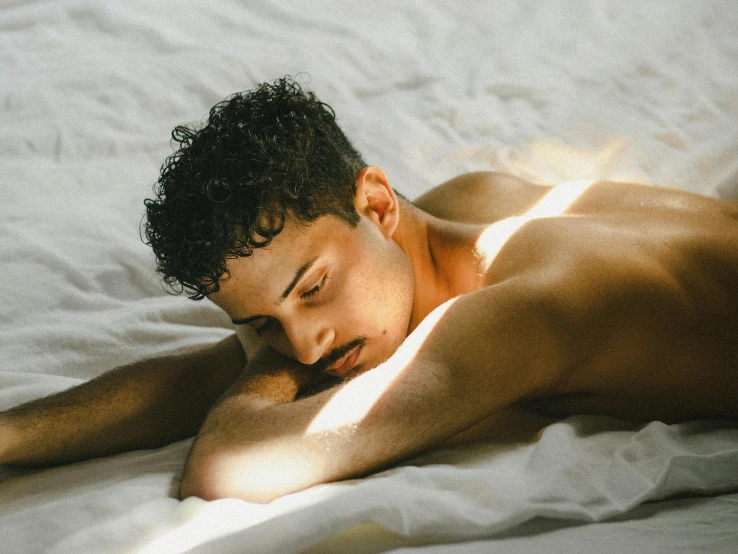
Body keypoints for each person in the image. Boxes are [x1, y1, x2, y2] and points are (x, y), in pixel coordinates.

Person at [1, 77, 737, 504]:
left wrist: (268, 350)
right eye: (263, 320)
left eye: (313, 288)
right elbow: (217, 375)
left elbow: (223, 465)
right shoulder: (458, 206)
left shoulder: (521, 311)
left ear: (378, 203)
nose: (306, 344)